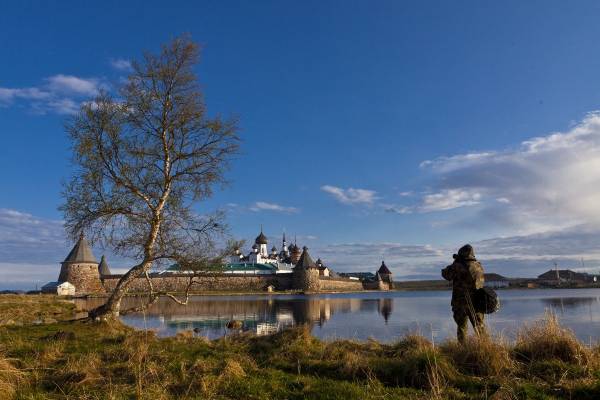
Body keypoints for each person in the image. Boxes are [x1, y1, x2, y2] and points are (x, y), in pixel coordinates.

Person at [442, 244, 486, 342]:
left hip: (461, 303)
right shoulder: (479, 266)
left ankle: (462, 350)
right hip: (478, 303)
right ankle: (485, 348)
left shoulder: (458, 266)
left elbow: (445, 274)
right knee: (480, 327)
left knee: (462, 328)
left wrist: (455, 262)